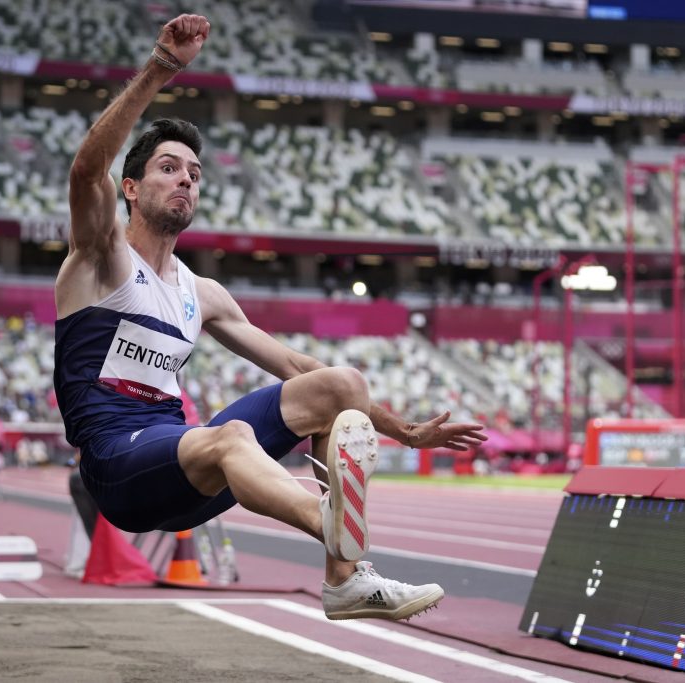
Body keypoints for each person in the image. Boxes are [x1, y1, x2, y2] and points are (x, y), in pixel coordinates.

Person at [52, 13, 487, 621]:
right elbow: (83, 171)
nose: (186, 180)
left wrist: (405, 431)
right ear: (130, 188)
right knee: (234, 437)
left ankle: (343, 580)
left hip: (184, 468)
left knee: (341, 385)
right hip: (117, 470)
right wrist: (163, 66)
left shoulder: (202, 294)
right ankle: (335, 528)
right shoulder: (99, 259)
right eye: (170, 168)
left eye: (195, 175)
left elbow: (297, 366)